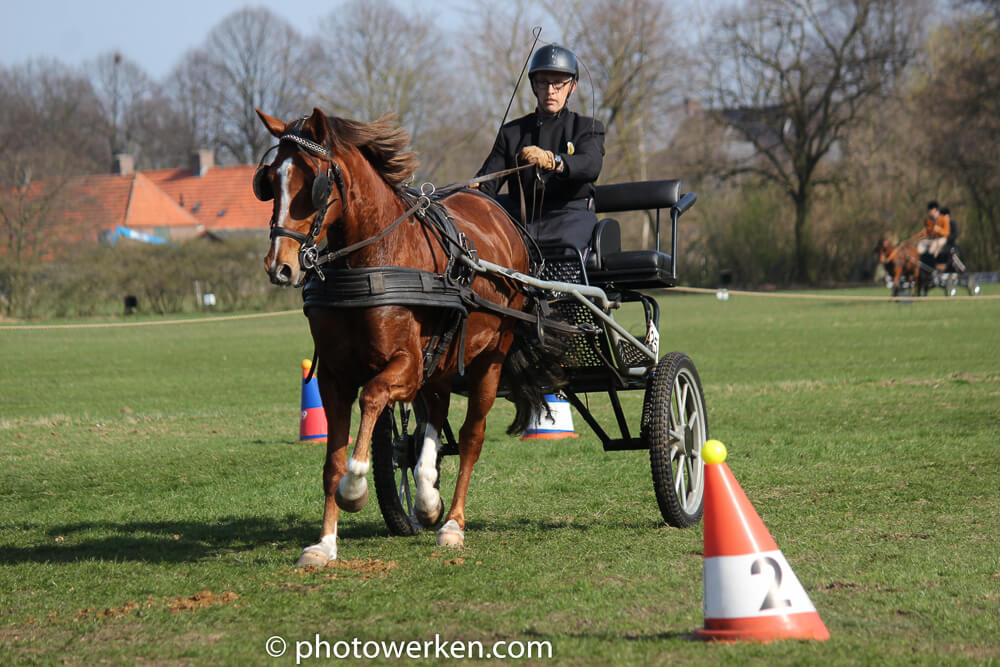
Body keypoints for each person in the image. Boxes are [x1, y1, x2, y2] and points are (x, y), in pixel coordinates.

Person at [474, 44, 606, 254]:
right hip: (521, 222)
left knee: (565, 249)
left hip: (570, 217)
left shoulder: (586, 128)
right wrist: (468, 190)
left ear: (572, 86)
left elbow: (591, 165)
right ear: (534, 86)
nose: (550, 90)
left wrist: (554, 161)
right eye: (543, 83)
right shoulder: (512, 132)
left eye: (558, 83)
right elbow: (487, 183)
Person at [916, 200, 950, 269]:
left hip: (942, 238)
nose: (929, 212)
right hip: (931, 238)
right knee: (920, 245)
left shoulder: (943, 219)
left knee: (932, 247)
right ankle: (922, 264)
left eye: (930, 210)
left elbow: (947, 233)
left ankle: (932, 266)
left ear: (935, 210)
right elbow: (926, 232)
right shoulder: (928, 220)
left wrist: (938, 229)